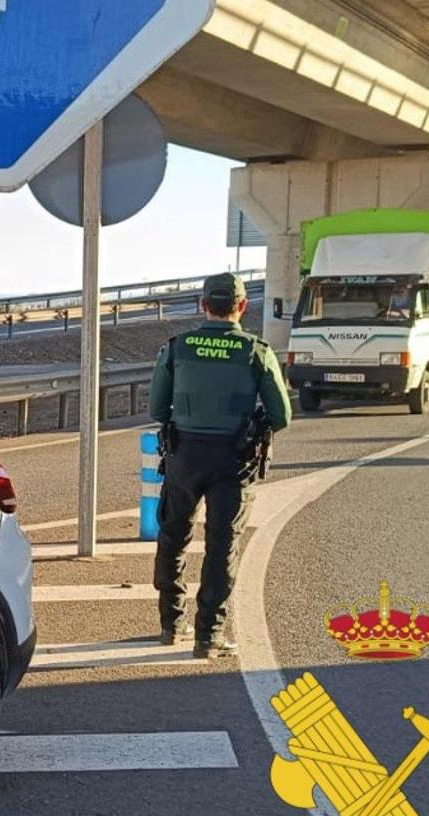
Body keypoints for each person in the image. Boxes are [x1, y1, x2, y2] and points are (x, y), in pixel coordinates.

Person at [149, 272, 291, 658]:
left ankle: (170, 624)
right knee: (221, 545)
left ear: (203, 304)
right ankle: (208, 636)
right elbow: (281, 416)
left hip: (184, 456)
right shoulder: (256, 351)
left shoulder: (177, 348)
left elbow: (156, 409)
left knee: (173, 535)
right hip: (234, 459)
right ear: (242, 306)